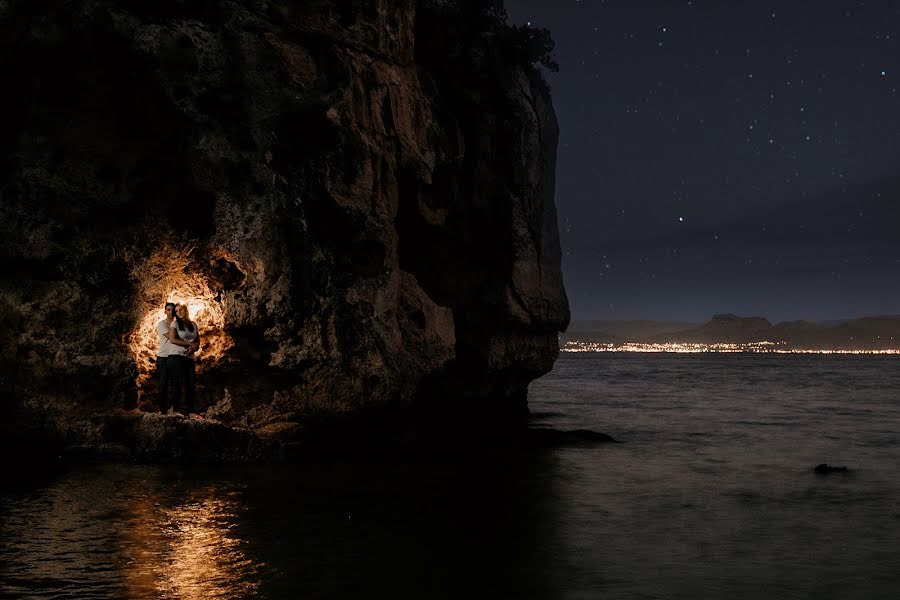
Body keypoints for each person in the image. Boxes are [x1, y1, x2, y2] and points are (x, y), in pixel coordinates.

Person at [168, 303, 201, 418]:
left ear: (185, 310)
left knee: (190, 384)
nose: (179, 312)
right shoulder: (175, 323)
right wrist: (189, 344)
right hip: (176, 356)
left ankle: (191, 411)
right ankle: (176, 410)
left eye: (180, 310)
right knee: (177, 384)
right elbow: (172, 339)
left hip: (189, 358)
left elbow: (197, 341)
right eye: (176, 311)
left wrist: (193, 347)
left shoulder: (193, 324)